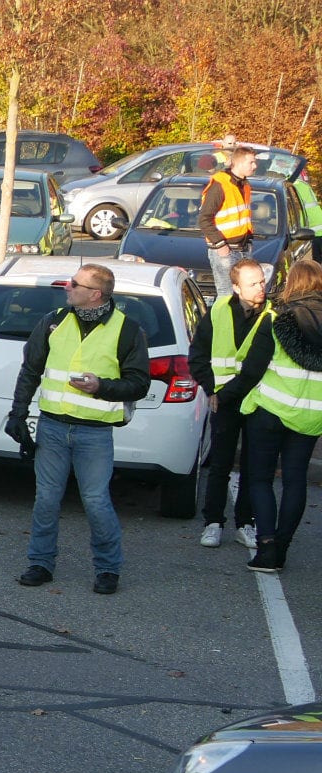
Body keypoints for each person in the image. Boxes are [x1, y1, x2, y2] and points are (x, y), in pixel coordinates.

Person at [6, 264, 151, 592]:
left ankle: (108, 569)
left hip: (95, 433)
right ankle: (40, 563)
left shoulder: (127, 330)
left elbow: (140, 383)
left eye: (75, 284)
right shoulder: (54, 320)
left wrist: (101, 387)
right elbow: (30, 370)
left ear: (95, 294)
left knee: (96, 501)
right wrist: (17, 414)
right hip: (52, 427)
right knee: (46, 499)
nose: (67, 287)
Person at [230, 260, 322, 573]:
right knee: (296, 481)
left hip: (270, 410)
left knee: (260, 478)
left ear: (292, 283)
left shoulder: (276, 317)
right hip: (311, 417)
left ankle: (266, 546)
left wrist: (227, 395)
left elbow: (252, 367)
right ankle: (282, 547)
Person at [189, 258, 273, 550]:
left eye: (262, 281)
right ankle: (213, 522)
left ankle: (245, 523)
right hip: (222, 401)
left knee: (253, 466)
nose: (261, 288)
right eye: (253, 283)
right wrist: (212, 390)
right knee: (220, 463)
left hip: (258, 400)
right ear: (236, 287)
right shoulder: (218, 311)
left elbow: (256, 368)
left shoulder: (272, 315)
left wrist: (220, 394)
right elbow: (197, 356)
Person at [200, 147, 259, 301]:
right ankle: (223, 325)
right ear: (238, 163)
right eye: (251, 162)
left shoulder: (244, 185)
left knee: (245, 297)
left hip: (243, 248)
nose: (255, 166)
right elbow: (204, 219)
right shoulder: (220, 184)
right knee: (227, 297)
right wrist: (220, 245)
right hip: (226, 251)